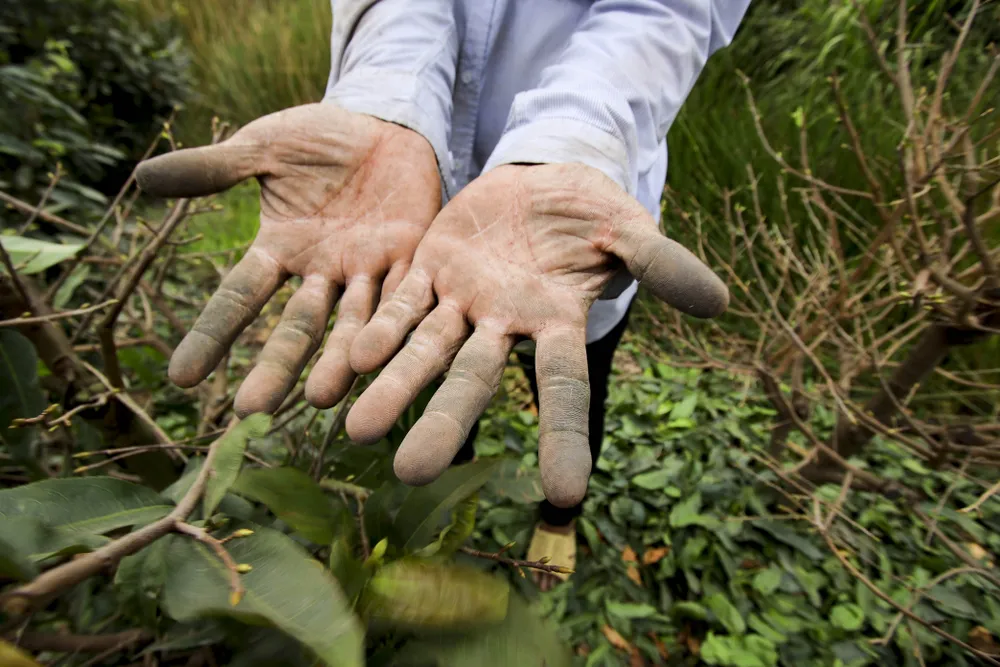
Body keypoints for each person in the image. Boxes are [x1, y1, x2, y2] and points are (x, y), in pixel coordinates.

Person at [136, 0, 750, 589]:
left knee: (573, 381)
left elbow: (667, 10)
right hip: (405, 214)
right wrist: (387, 100)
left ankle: (559, 519)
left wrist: (571, 139)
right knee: (439, 385)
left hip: (576, 218)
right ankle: (451, 518)